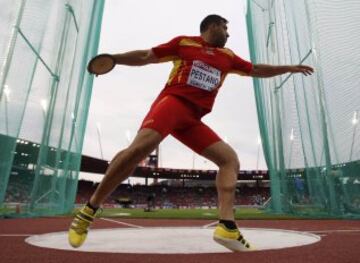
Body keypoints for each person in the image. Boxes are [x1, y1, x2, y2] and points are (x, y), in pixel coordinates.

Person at [68, 14, 314, 252]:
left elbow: (257, 69)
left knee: (229, 160)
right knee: (139, 150)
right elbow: (146, 56)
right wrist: (114, 58)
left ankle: (227, 226)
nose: (228, 34)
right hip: (173, 103)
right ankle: (88, 210)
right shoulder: (184, 43)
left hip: (192, 120)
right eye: (225, 28)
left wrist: (288, 68)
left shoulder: (228, 57)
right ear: (212, 25)